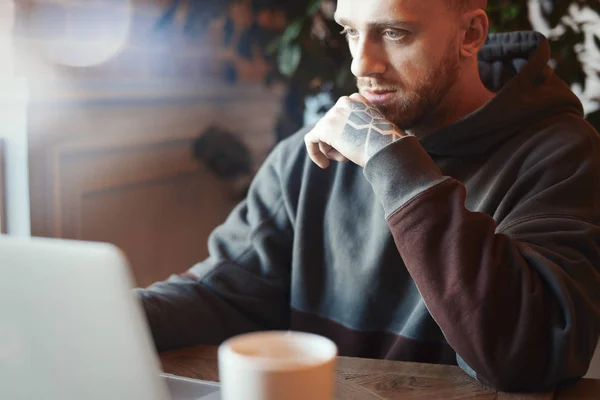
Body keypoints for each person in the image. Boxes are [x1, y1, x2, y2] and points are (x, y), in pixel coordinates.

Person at [136, 0, 600, 392]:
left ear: (471, 33)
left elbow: (533, 349)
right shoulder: (309, 157)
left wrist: (391, 159)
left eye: (394, 33)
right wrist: (107, 313)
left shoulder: (561, 155)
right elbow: (223, 294)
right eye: (350, 31)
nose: (361, 63)